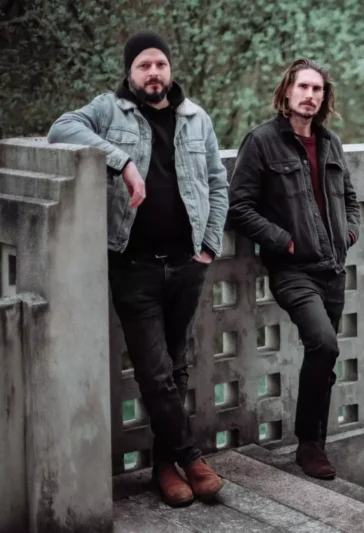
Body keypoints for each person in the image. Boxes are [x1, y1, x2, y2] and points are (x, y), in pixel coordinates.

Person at [48, 30, 229, 507]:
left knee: (177, 366)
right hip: (133, 265)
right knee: (154, 371)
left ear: (171, 70)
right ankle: (190, 457)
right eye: (144, 65)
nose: (153, 73)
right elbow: (61, 128)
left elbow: (217, 183)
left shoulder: (196, 118)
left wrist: (208, 247)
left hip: (186, 264)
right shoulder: (110, 110)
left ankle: (164, 469)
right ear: (130, 71)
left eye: (160, 65)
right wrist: (122, 160)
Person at [227, 58, 361, 480]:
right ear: (287, 92)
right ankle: (308, 443)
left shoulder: (331, 143)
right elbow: (238, 206)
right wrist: (283, 240)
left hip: (333, 268)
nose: (310, 95)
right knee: (323, 344)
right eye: (303, 87)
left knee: (326, 355)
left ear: (324, 98)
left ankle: (314, 445)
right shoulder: (262, 142)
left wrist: (350, 233)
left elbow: (351, 198)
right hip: (293, 270)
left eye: (318, 90)